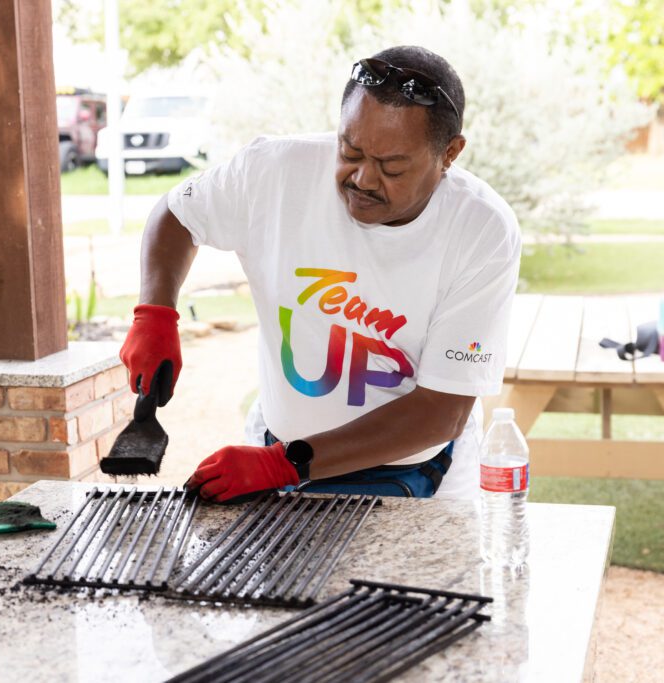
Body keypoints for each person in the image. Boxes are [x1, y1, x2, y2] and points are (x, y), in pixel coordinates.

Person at [120, 45, 521, 504]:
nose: (364, 179)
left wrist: (283, 465)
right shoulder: (274, 172)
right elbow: (176, 214)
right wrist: (153, 314)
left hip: (420, 472)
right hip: (279, 453)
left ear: (449, 154)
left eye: (392, 167)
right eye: (350, 151)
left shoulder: (481, 230)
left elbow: (440, 412)